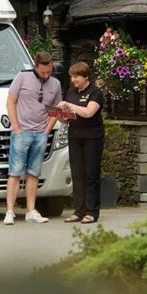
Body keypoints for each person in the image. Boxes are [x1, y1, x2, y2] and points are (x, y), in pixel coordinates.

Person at [4, 51, 61, 225]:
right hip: (22, 132)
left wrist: (47, 131)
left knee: (33, 173)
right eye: (43, 71)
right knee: (15, 172)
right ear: (35, 66)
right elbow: (11, 101)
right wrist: (16, 127)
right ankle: (10, 211)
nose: (46, 74)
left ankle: (31, 211)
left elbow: (56, 109)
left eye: (49, 71)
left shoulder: (55, 83)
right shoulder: (22, 77)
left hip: (40, 134)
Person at [57, 61, 104, 224]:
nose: (73, 80)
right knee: (77, 174)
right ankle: (79, 210)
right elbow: (67, 118)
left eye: (76, 77)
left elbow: (88, 112)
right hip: (75, 136)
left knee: (91, 174)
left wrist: (70, 105)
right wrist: (60, 115)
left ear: (86, 77)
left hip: (92, 137)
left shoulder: (95, 92)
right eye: (72, 77)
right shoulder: (71, 92)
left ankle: (92, 211)